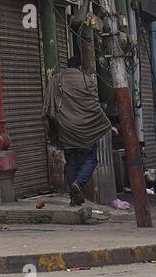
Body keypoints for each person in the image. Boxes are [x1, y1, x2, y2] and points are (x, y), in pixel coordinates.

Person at [46, 54, 117, 205]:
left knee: (71, 162)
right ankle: (78, 184)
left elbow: (50, 106)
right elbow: (93, 106)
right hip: (86, 130)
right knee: (90, 160)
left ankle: (74, 199)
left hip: (65, 129)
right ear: (79, 67)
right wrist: (107, 124)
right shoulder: (86, 80)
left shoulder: (56, 79)